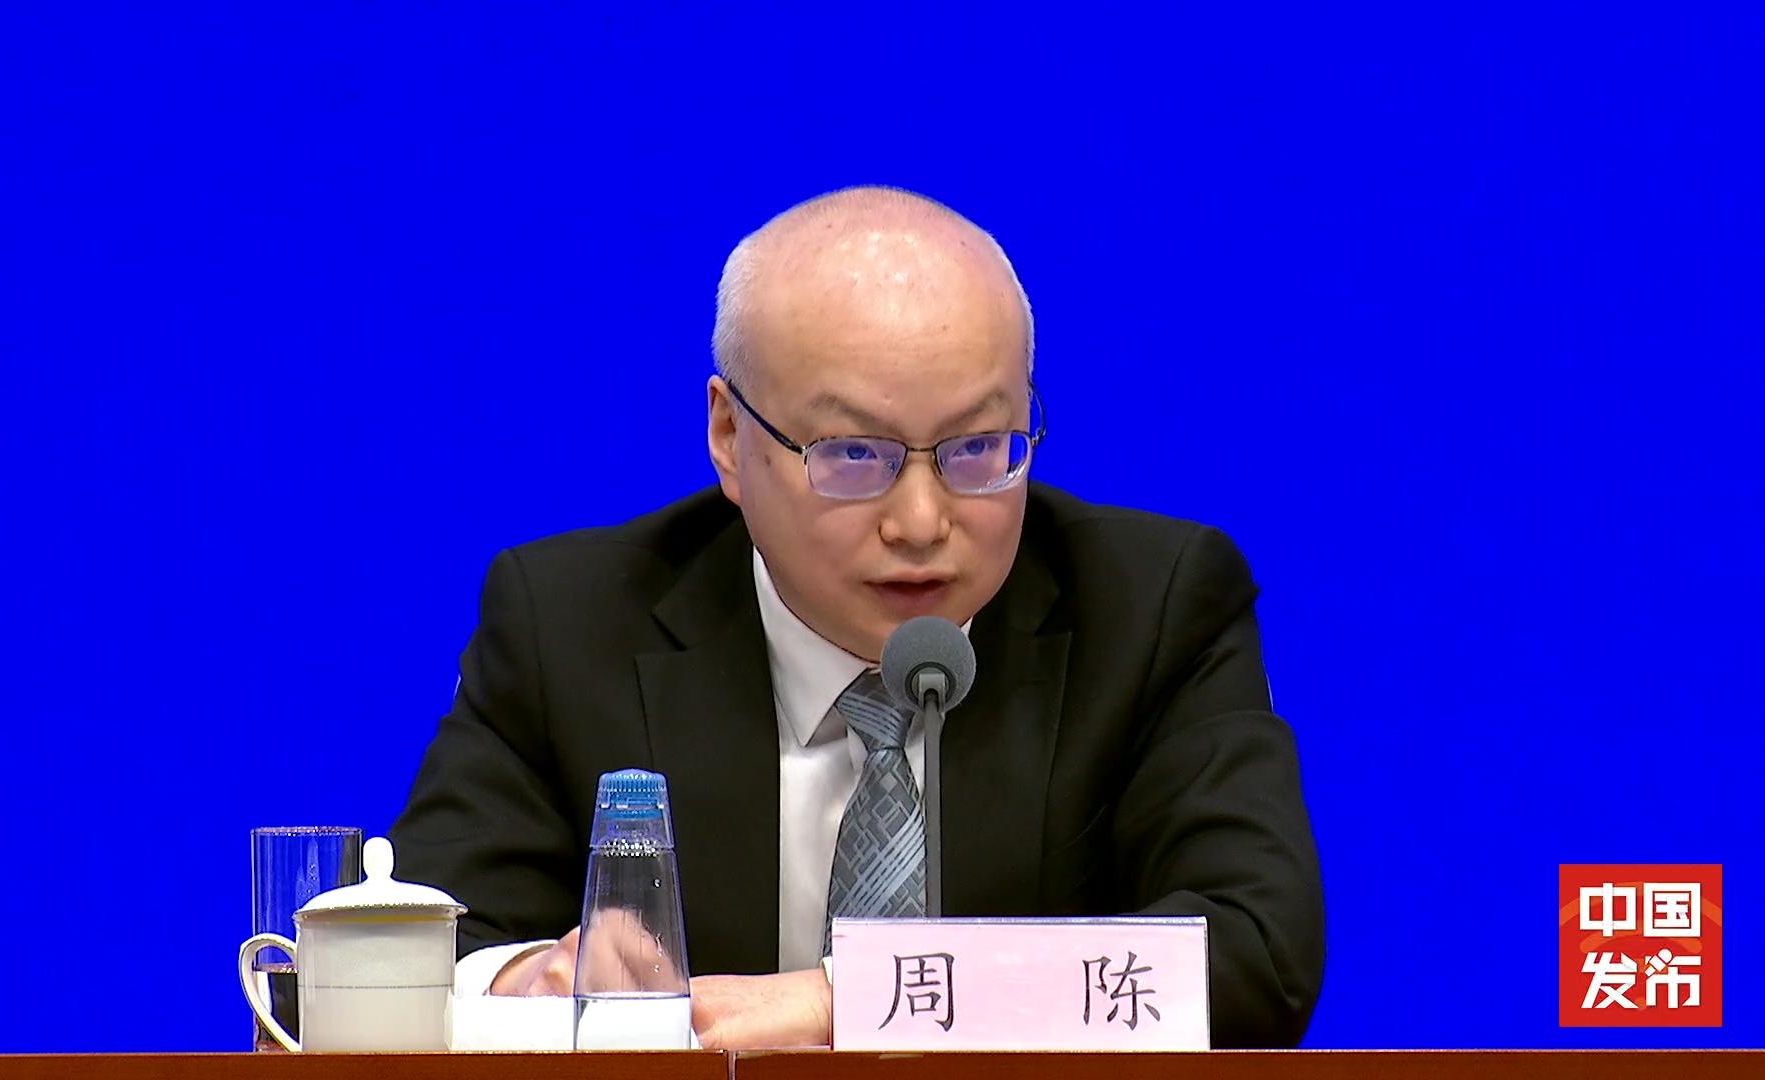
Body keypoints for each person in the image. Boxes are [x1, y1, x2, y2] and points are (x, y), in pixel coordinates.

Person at [390, 186, 1324, 1049]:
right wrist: (526, 982)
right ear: (730, 436)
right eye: (852, 455)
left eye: (977, 448)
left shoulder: (1150, 608)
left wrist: (848, 1002)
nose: (921, 522)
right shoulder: (572, 623)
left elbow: (1255, 954)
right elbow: (407, 955)